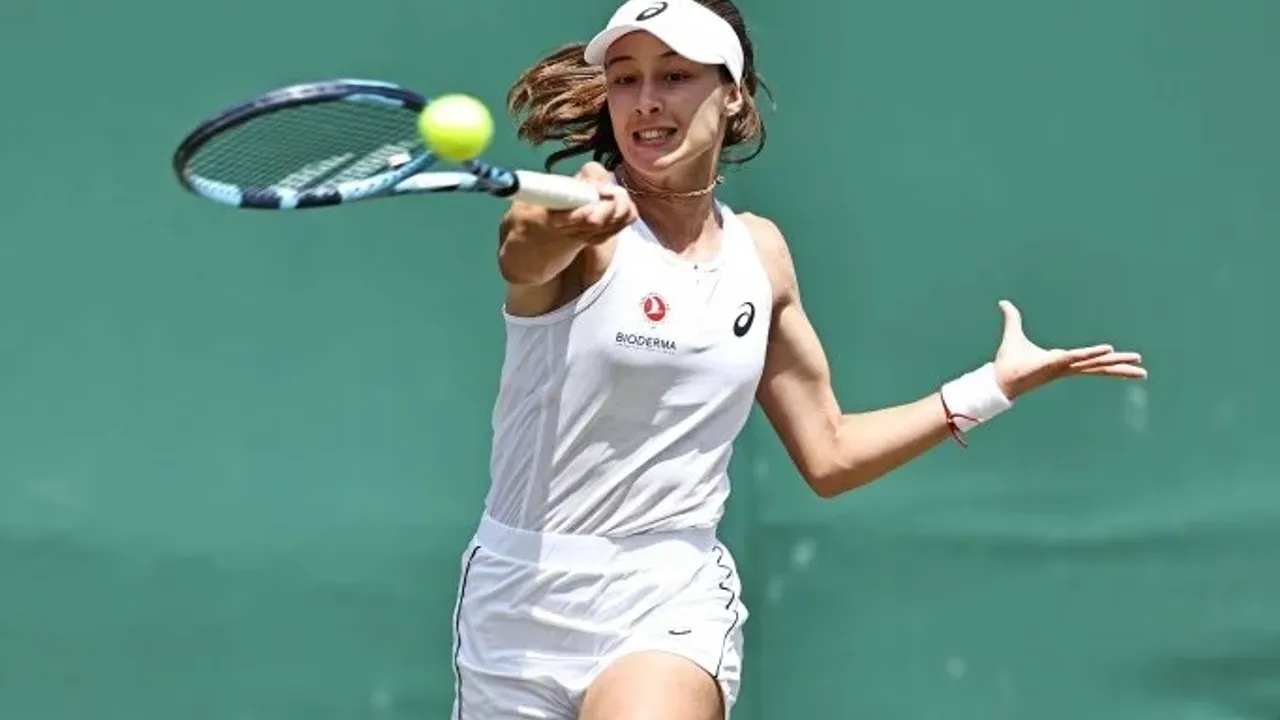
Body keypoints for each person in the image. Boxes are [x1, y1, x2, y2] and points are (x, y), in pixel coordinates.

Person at [449, 0, 1148, 718]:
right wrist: (564, 225)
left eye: (675, 75)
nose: (646, 100)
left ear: (733, 94)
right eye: (626, 79)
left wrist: (990, 387)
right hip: (520, 599)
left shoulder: (761, 255)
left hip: (666, 594)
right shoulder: (577, 218)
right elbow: (522, 250)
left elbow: (829, 451)